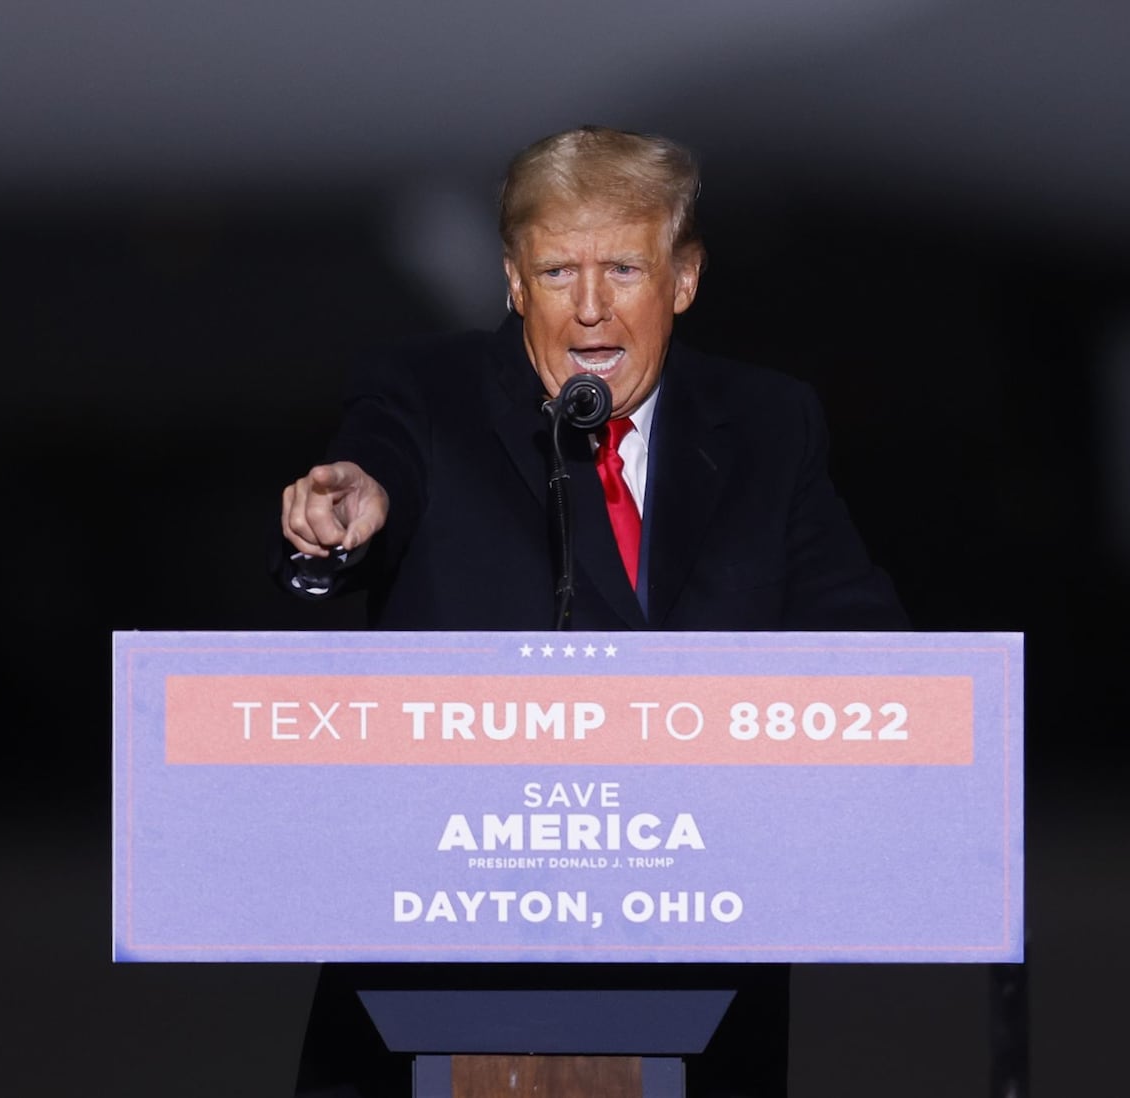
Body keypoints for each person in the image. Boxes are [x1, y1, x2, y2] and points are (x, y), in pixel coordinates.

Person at [278, 125, 907, 1097]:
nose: (589, 312)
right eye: (557, 271)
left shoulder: (768, 424)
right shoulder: (425, 396)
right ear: (512, 283)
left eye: (622, 268)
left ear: (683, 279)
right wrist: (350, 503)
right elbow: (375, 469)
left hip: (694, 960)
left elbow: (861, 645)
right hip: (447, 973)